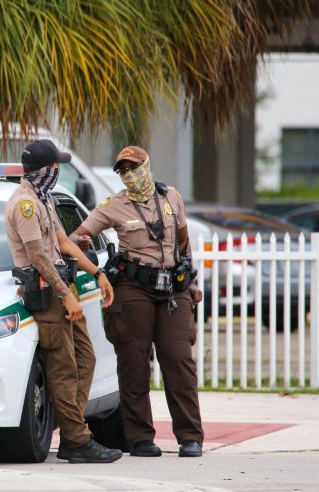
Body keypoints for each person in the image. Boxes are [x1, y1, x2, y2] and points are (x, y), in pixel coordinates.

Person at [71, 145, 204, 458]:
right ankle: (140, 438)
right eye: (124, 170)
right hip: (134, 290)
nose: (130, 174)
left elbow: (183, 243)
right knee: (133, 363)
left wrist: (192, 282)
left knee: (178, 360)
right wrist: (81, 241)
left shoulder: (172, 197)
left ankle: (190, 437)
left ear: (147, 164)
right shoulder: (114, 205)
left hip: (173, 289)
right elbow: (80, 233)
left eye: (135, 166)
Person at [4, 139, 120, 464]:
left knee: (86, 360)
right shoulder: (25, 205)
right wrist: (66, 295)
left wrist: (97, 272)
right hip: (49, 293)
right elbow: (38, 257)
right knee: (65, 369)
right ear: (45, 170)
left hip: (64, 290)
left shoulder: (44, 200)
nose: (58, 172)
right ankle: (76, 440)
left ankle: (73, 431)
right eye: (56, 166)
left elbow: (64, 243)